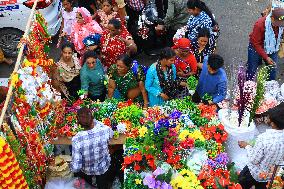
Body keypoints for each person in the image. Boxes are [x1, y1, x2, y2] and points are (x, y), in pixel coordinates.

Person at [238, 103, 284, 189]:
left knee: (241, 185)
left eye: (268, 117)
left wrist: (246, 146)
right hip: (269, 175)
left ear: (273, 123)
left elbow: (254, 160)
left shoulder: (264, 138)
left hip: (254, 172)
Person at [71, 107, 114, 189]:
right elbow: (111, 134)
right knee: (103, 185)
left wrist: (70, 165)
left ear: (78, 123)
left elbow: (76, 167)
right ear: (93, 118)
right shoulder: (105, 130)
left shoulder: (76, 139)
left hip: (86, 170)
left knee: (86, 184)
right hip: (103, 168)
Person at [246, 8, 284, 81]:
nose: (279, 26)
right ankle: (248, 87)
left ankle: (270, 86)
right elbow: (256, 43)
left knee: (272, 69)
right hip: (256, 47)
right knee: (252, 69)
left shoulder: (281, 24)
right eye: (277, 24)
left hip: (273, 47)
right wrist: (266, 57)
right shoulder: (260, 25)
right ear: (272, 18)